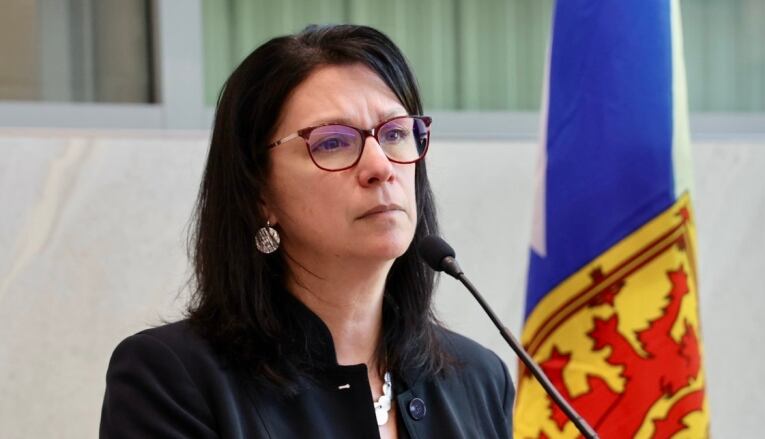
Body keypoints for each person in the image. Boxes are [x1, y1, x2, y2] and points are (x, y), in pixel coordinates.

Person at [99, 24, 514, 439]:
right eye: (333, 142)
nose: (380, 167)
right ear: (260, 193)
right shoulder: (173, 379)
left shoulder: (480, 380)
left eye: (395, 134)